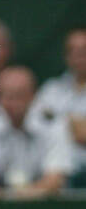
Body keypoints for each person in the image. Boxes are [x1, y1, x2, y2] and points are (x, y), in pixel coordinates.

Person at [0, 67, 72, 198]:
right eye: (6, 96)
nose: (12, 103)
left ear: (33, 96)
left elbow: (55, 181)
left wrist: (19, 196)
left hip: (43, 206)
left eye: (19, 96)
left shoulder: (54, 126)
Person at [32, 28, 86, 187]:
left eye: (83, 50)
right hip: (53, 173)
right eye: (72, 51)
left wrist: (56, 119)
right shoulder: (51, 90)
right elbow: (36, 127)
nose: (79, 57)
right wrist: (73, 125)